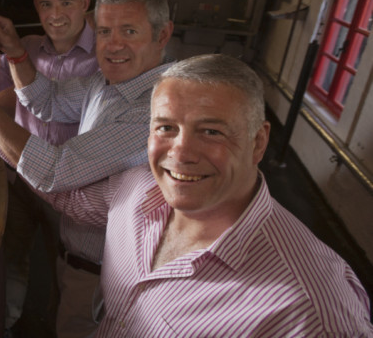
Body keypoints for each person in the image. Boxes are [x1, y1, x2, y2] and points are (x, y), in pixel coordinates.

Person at [27, 54, 373, 336]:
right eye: (166, 127)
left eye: (211, 131)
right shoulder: (135, 188)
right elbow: (70, 199)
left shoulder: (310, 309)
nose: (181, 153)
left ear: (259, 142)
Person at [0, 0, 174, 337]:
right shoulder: (105, 82)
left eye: (129, 31)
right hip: (77, 257)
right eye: (105, 31)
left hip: (105, 272)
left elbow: (56, 170)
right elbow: (46, 100)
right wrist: (15, 51)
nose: (114, 45)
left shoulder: (151, 109)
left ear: (163, 34)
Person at [0, 0, 99, 333]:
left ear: (85, 3)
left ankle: (49, 325)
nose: (55, 14)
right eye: (46, 5)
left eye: (66, 3)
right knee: (11, 256)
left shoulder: (108, 55)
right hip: (20, 177)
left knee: (64, 267)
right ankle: (8, 324)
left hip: (71, 189)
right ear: (37, 8)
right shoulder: (29, 47)